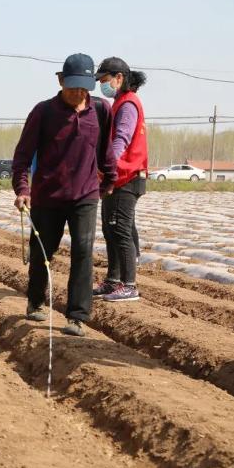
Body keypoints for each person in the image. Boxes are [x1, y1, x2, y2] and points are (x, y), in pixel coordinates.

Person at [11, 53, 118, 337]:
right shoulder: (43, 112)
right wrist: (22, 189)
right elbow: (22, 156)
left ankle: (77, 316)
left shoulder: (101, 110)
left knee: (83, 250)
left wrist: (110, 177)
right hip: (48, 195)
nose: (78, 94)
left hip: (85, 194)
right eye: (73, 88)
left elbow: (105, 150)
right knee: (43, 252)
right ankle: (35, 301)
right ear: (60, 81)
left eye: (84, 88)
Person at [93, 57, 148, 302]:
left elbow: (121, 140)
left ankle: (129, 285)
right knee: (110, 229)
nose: (103, 85)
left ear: (119, 78)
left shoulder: (128, 105)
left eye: (105, 80)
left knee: (121, 230)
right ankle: (112, 281)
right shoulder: (118, 103)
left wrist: (108, 165)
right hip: (117, 177)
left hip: (126, 177)